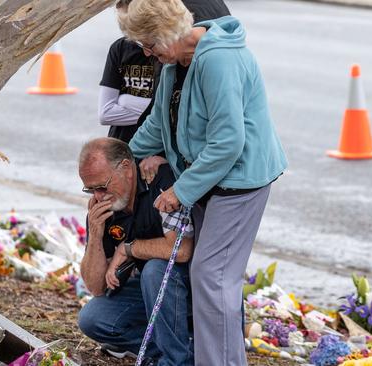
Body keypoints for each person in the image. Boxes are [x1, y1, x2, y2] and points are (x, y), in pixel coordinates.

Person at [117, 1, 288, 365]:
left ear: (167, 33)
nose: (148, 53)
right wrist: (121, 163)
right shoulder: (174, 65)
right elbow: (157, 126)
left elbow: (228, 142)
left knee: (212, 278)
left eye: (149, 44)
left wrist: (181, 191)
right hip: (211, 182)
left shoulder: (216, 60)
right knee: (211, 278)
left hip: (239, 181)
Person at [77, 137, 195, 366]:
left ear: (126, 168)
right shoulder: (102, 209)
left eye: (102, 186)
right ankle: (184, 354)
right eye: (90, 189)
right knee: (93, 319)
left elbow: (182, 250)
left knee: (154, 270)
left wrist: (130, 248)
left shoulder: (157, 180)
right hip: (149, 288)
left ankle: (175, 360)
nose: (99, 196)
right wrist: (95, 234)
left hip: (188, 283)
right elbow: (95, 286)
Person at [98, 0, 230, 143]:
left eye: (145, 43)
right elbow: (160, 116)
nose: (146, 53)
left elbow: (224, 139)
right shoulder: (175, 40)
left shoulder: (206, 56)